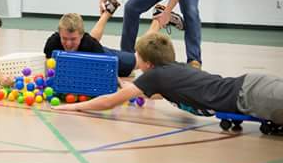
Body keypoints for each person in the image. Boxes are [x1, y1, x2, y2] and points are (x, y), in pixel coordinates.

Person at [53, 32, 283, 126]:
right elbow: (152, 92)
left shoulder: (155, 76)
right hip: (252, 84)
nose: (136, 61)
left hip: (250, 97)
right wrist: (127, 84)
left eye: (138, 58)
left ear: (148, 64)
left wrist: (73, 108)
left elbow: (109, 102)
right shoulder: (173, 69)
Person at [43, 0, 181, 78]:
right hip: (89, 51)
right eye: (64, 38)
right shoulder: (53, 43)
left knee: (141, 56)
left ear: (81, 34)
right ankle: (108, 11)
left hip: (107, 58)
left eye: (72, 39)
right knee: (89, 43)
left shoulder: (90, 45)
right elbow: (47, 66)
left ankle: (158, 19)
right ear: (59, 34)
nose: (67, 43)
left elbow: (105, 73)